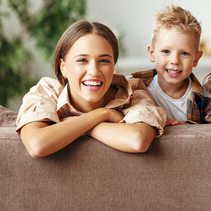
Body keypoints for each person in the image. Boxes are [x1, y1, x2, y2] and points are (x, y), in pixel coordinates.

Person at [16, 20, 166, 158]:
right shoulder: (47, 91)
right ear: (63, 68)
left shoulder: (132, 91)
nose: (94, 71)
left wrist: (75, 124)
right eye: (82, 60)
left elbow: (137, 140)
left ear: (113, 65)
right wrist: (103, 114)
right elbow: (37, 145)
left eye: (104, 61)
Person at [131, 5, 211, 125]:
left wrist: (187, 128)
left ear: (196, 59)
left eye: (184, 53)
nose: (175, 61)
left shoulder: (205, 101)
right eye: (166, 51)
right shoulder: (134, 87)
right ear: (152, 53)